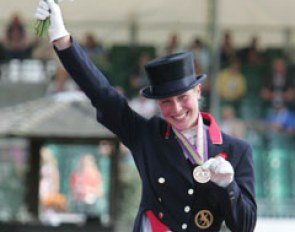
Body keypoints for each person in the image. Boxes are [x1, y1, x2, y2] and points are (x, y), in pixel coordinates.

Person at [34, 1, 257, 231]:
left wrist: (229, 186)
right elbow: (103, 95)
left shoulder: (236, 151)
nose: (177, 109)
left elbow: (245, 226)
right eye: (166, 102)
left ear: (198, 91)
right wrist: (63, 40)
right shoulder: (148, 135)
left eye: (183, 98)